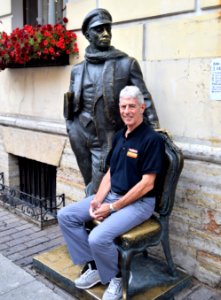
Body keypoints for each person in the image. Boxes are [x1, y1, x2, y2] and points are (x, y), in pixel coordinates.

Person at [58, 86, 165, 300]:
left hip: (139, 203)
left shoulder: (152, 140)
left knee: (98, 238)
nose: (127, 111)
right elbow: (109, 173)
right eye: (123, 106)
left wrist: (112, 207)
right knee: (65, 216)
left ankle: (118, 277)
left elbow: (147, 184)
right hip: (111, 196)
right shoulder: (119, 136)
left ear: (142, 108)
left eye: (132, 106)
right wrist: (97, 201)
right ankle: (96, 266)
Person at [65, 8, 159, 195]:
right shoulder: (77, 70)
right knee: (89, 184)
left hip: (107, 137)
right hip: (79, 135)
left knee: (99, 189)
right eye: (99, 30)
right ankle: (91, 219)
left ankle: (97, 220)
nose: (106, 34)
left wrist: (155, 131)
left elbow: (144, 98)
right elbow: (71, 104)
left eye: (108, 28)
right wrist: (70, 128)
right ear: (87, 34)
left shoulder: (126, 64)